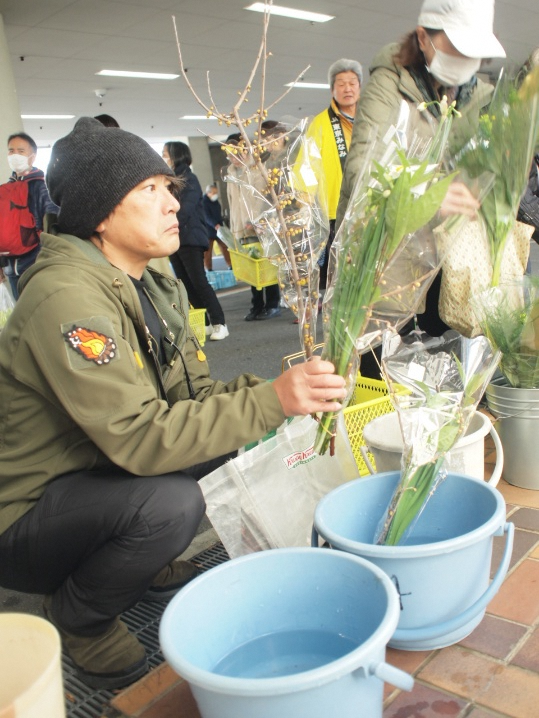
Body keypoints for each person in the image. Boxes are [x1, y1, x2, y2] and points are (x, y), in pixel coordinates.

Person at [0, 117, 346, 690]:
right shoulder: (65, 298)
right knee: (169, 506)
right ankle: (79, 616)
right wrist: (271, 402)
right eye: (149, 190)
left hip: (95, 469)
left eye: (169, 187)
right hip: (28, 511)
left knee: (227, 440)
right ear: (100, 213)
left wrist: (284, 392)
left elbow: (195, 399)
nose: (173, 204)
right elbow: (138, 435)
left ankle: (131, 561)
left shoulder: (153, 281)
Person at [336, 0, 505, 377]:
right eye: (456, 47)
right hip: (385, 252)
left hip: (447, 254)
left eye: (474, 51)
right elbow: (363, 170)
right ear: (424, 38)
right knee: (378, 365)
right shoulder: (389, 83)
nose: (465, 59)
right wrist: (430, 194)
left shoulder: (481, 96)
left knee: (448, 362)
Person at [305, 59, 363, 291]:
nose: (347, 88)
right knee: (337, 275)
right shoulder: (320, 124)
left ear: (360, 87)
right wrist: (304, 200)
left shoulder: (372, 119)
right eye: (341, 84)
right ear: (332, 90)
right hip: (334, 213)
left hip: (371, 207)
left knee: (369, 269)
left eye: (352, 83)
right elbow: (306, 166)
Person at [163, 141, 229, 341]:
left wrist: (167, 224)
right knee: (185, 284)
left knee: (199, 282)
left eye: (165, 154)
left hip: (190, 237)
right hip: (175, 238)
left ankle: (220, 323)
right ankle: (205, 324)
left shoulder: (189, 179)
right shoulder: (168, 180)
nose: (163, 157)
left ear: (176, 156)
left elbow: (185, 209)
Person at [224, 132, 281, 320]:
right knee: (250, 267)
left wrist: (256, 221)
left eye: (236, 153)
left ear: (245, 150)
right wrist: (235, 227)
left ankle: (272, 304)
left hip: (260, 226)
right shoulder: (231, 173)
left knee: (266, 265)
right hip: (242, 228)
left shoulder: (258, 169)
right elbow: (232, 203)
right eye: (229, 155)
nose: (233, 158)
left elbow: (263, 199)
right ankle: (256, 305)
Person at [0, 132, 59, 298]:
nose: (15, 155)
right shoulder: (6, 189)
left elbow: (53, 224)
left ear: (32, 156)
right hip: (11, 267)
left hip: (36, 263)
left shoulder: (42, 186)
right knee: (21, 310)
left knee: (41, 307)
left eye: (21, 151)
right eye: (11, 151)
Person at [202, 183, 231, 271]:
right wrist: (215, 224)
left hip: (218, 229)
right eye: (214, 193)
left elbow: (218, 215)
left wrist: (221, 225)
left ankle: (230, 264)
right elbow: (206, 216)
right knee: (208, 251)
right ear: (208, 193)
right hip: (208, 230)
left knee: (225, 247)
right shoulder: (203, 202)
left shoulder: (216, 202)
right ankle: (208, 268)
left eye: (216, 193)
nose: (215, 195)